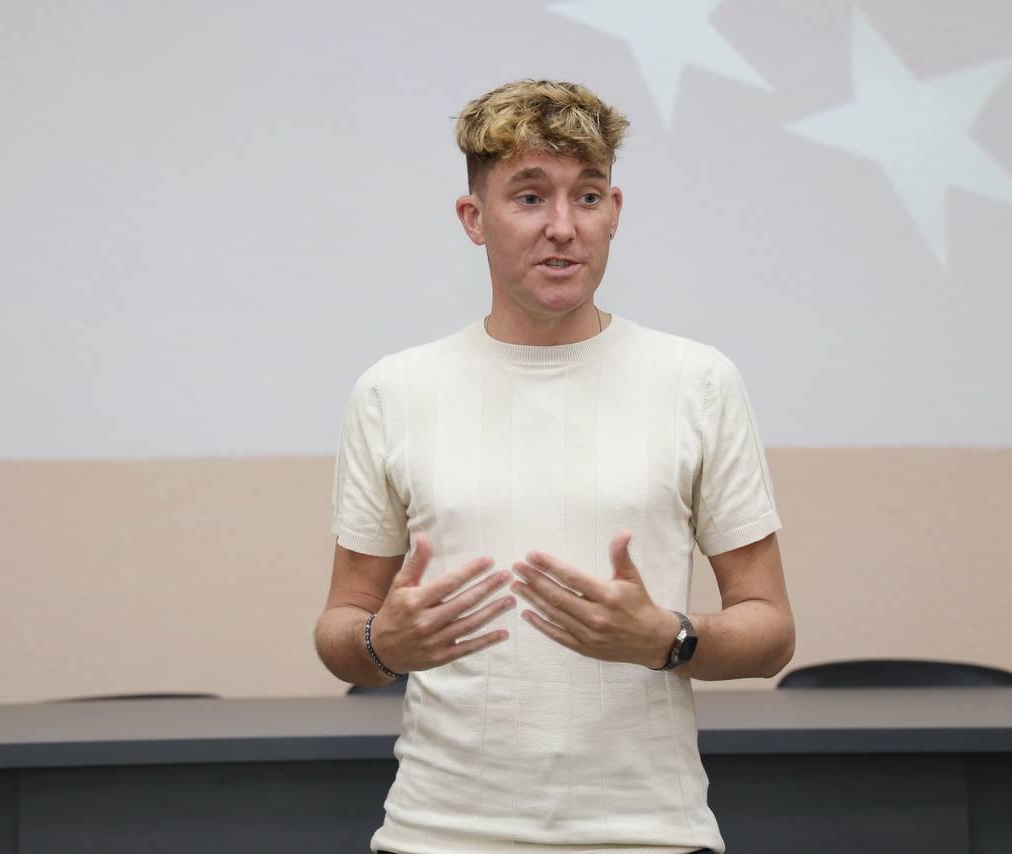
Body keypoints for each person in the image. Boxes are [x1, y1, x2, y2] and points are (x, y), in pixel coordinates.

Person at [315, 79, 795, 854]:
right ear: (474, 218)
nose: (564, 228)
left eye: (588, 196)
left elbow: (770, 629)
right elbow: (340, 626)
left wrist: (667, 638)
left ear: (615, 212)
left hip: (649, 835)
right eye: (530, 198)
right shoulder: (393, 391)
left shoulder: (697, 381)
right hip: (440, 835)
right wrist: (382, 646)